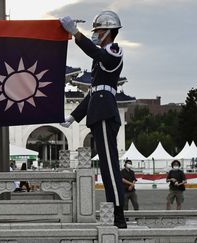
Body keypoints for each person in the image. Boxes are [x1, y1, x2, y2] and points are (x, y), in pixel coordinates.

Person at [60, 11, 127, 228]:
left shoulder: (113, 51)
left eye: (98, 31)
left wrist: (76, 35)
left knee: (109, 165)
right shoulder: (100, 60)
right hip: (99, 112)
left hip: (106, 113)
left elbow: (98, 55)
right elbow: (92, 93)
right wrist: (73, 116)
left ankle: (118, 215)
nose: (96, 34)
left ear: (108, 32)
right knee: (106, 166)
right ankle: (115, 211)